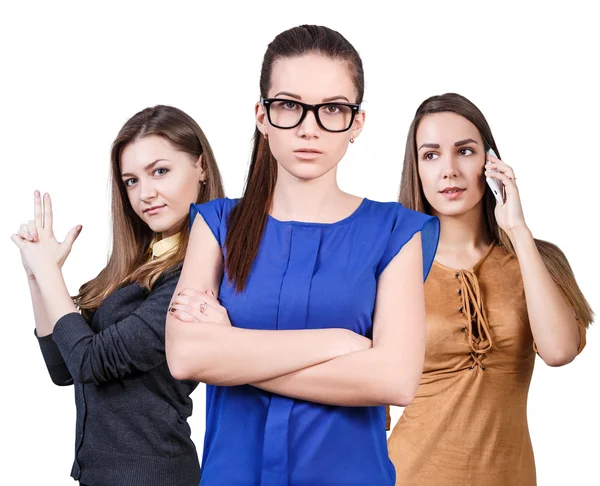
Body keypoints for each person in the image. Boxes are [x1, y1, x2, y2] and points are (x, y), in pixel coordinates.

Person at [165, 25, 440, 486]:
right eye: (289, 105)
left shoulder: (396, 230)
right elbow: (186, 357)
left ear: (357, 122)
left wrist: (233, 352)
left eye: (332, 108)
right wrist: (340, 344)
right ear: (261, 115)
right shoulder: (216, 225)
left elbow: (394, 380)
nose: (309, 128)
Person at [386, 93, 593, 486]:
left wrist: (517, 228)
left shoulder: (535, 261)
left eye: (464, 151)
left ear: (490, 162)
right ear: (415, 169)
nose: (448, 170)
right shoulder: (393, 268)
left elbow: (560, 351)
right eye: (431, 155)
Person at [11, 105, 224, 486]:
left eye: (160, 171)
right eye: (131, 181)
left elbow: (90, 361)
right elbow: (63, 367)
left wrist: (49, 273)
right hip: (101, 474)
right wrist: (38, 278)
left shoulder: (193, 272)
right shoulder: (140, 264)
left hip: (153, 475)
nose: (146, 194)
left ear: (201, 167)